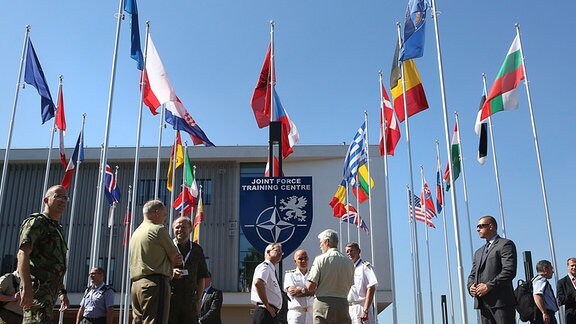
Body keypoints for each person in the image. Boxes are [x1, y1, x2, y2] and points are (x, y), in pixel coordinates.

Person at [17, 185, 70, 323]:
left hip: (50, 292)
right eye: (58, 196)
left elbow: (56, 264)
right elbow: (23, 253)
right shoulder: (37, 222)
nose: (63, 200)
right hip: (37, 290)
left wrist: (62, 292)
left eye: (65, 198)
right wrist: (26, 286)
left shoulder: (56, 228)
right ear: (46, 200)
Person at [130, 200, 183, 324]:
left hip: (136, 285)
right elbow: (176, 258)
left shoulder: (136, 233)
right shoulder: (158, 229)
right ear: (157, 213)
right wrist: (170, 266)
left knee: (138, 320)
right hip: (155, 284)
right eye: (164, 214)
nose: (165, 218)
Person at [467, 215, 517, 324]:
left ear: (491, 226)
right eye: (477, 227)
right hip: (483, 304)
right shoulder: (478, 252)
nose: (477, 229)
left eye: (481, 226)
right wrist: (471, 287)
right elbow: (473, 274)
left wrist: (488, 286)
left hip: (501, 303)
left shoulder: (505, 244)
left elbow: (509, 271)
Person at [303, 229, 354, 324]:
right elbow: (351, 284)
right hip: (343, 304)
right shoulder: (349, 263)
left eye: (321, 242)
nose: (320, 245)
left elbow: (310, 287)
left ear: (327, 242)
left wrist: (305, 285)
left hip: (323, 304)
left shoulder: (320, 259)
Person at [169, 216, 209, 324]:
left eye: (183, 227)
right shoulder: (167, 247)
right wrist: (171, 273)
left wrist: (198, 300)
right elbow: (157, 269)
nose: (180, 230)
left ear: (190, 229)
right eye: (177, 227)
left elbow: (202, 276)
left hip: (189, 301)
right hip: (170, 300)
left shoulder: (197, 250)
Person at [345, 242, 378, 324]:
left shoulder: (365, 267)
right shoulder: (348, 269)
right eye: (347, 252)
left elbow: (371, 287)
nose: (349, 253)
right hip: (349, 308)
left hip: (361, 307)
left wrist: (365, 310)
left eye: (351, 251)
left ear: (359, 251)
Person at [251, 243, 283, 324]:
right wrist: (267, 306)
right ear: (268, 252)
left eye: (281, 252)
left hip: (270, 312)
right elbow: (258, 282)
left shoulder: (271, 269)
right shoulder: (265, 267)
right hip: (265, 311)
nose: (280, 254)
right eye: (277, 251)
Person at [283, 249, 313, 324]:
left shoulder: (313, 275)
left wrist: (301, 290)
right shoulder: (290, 275)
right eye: (300, 259)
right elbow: (293, 292)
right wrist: (310, 291)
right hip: (296, 314)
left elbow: (317, 291)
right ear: (295, 261)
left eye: (305, 258)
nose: (303, 261)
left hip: (311, 314)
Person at [532, 260, 558, 324]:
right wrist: (544, 312)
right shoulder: (541, 280)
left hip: (546, 314)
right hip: (546, 314)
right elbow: (537, 295)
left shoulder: (537, 280)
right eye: (551, 269)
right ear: (545, 269)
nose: (553, 272)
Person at [557, 257, 576, 324]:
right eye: (572, 265)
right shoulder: (562, 282)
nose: (574, 267)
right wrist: (572, 295)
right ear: (568, 266)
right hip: (572, 317)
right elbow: (561, 300)